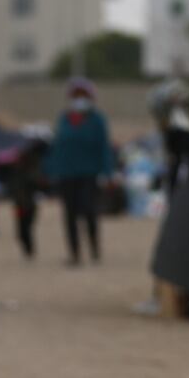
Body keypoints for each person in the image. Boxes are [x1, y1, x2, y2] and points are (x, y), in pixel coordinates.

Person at [46, 79, 116, 267]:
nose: (79, 100)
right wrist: (50, 170)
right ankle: (74, 253)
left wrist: (108, 173)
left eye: (83, 96)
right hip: (67, 174)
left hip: (89, 173)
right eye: (76, 96)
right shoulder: (64, 118)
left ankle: (94, 249)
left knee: (89, 210)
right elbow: (57, 146)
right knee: (69, 214)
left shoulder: (97, 120)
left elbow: (104, 148)